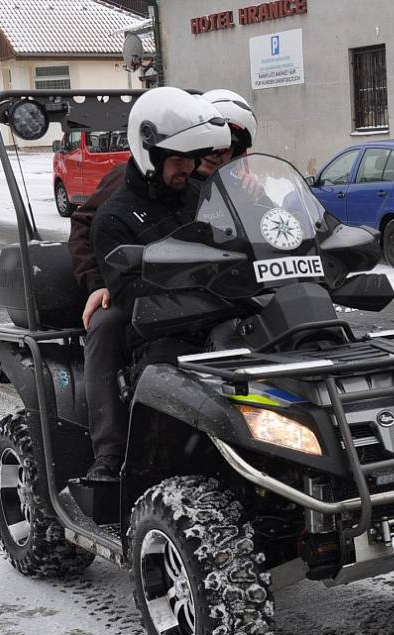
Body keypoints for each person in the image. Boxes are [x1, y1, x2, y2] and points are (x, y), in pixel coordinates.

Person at [67, 89, 257, 481]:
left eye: (196, 156)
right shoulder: (117, 205)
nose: (190, 166)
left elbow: (243, 241)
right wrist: (98, 282)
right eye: (179, 158)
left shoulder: (206, 192)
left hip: (211, 309)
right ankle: (114, 454)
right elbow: (94, 235)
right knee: (107, 326)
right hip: (148, 307)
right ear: (149, 152)